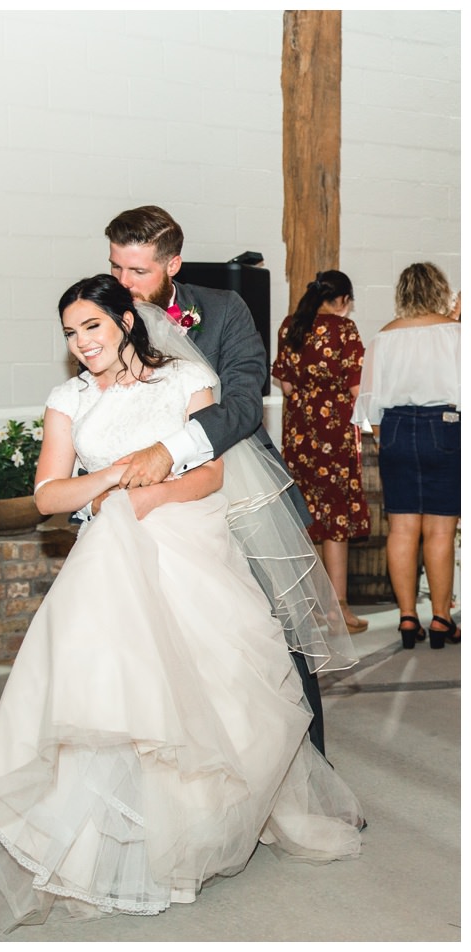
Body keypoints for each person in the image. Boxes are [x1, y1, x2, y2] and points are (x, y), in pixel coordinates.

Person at [0, 276, 363, 932]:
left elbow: (212, 472)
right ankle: (111, 850)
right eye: (70, 333)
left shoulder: (185, 381)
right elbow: (50, 495)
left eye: (92, 326)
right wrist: (117, 477)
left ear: (126, 321)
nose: (81, 343)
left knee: (214, 686)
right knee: (112, 690)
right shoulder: (69, 398)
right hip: (108, 555)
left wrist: (152, 494)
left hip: (187, 544)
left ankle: (199, 833)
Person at [101, 205, 333, 756]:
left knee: (274, 634)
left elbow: (244, 405)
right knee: (157, 638)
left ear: (173, 264)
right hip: (146, 498)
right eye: (115, 268)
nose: (123, 284)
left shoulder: (225, 310)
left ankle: (312, 778)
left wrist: (170, 450)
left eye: (138, 272)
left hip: (237, 484)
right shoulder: (100, 311)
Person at [354, 262, 461, 650]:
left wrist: (388, 439)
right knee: (439, 531)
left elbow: (370, 402)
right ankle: (440, 617)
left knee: (401, 529)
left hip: (395, 429)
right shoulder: (456, 334)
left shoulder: (384, 337)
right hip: (444, 426)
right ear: (439, 290)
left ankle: (406, 617)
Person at [272, 270, 370, 633]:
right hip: (335, 437)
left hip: (299, 437)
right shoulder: (345, 331)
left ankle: (312, 604)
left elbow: (283, 384)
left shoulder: (290, 326)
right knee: (336, 522)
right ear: (343, 300)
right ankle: (338, 609)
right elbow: (358, 389)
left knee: (306, 517)